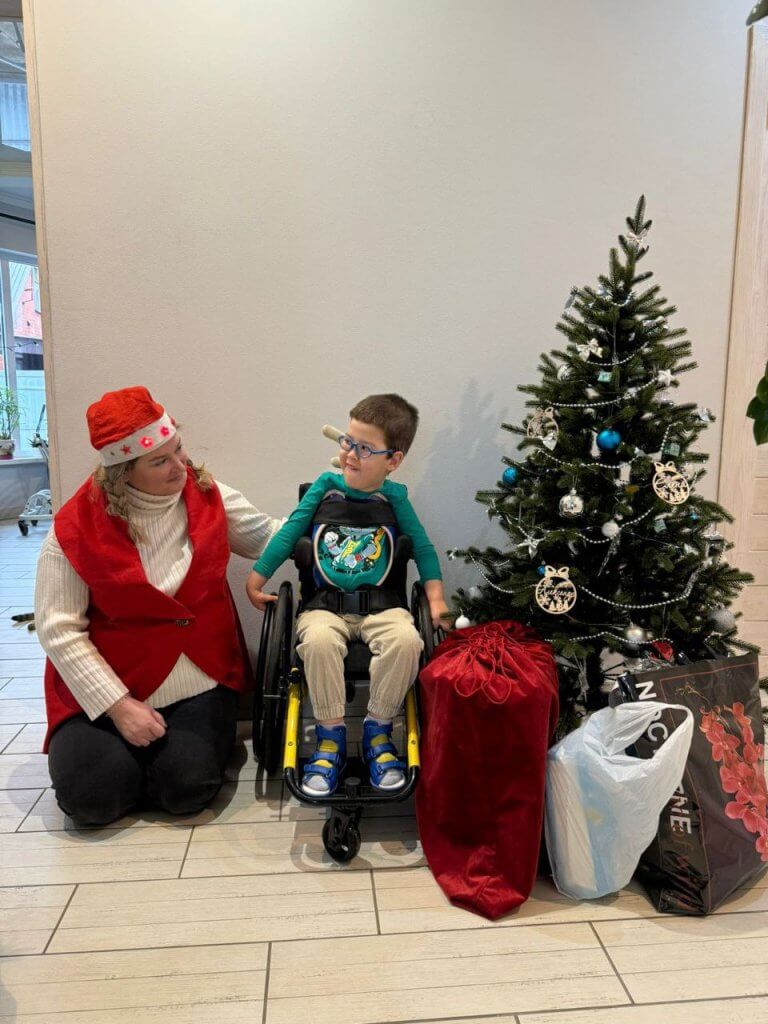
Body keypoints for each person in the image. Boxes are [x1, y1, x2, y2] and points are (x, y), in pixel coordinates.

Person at [36, 385, 282, 826]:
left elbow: (272, 538)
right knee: (91, 801)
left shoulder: (209, 495)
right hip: (110, 688)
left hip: (199, 679)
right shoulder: (73, 529)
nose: (180, 466)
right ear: (122, 472)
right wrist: (118, 707)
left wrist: (339, 507)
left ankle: (157, 767)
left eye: (178, 449)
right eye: (160, 461)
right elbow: (58, 629)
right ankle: (124, 767)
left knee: (186, 791)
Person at [246, 393, 450, 795]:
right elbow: (289, 534)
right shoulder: (324, 489)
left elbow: (424, 549)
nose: (350, 454)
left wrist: (437, 599)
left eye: (364, 448)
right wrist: (257, 578)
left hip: (383, 607)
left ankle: (378, 731)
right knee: (318, 642)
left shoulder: (395, 498)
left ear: (393, 460)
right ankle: (330, 738)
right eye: (347, 441)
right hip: (324, 607)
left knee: (408, 640)